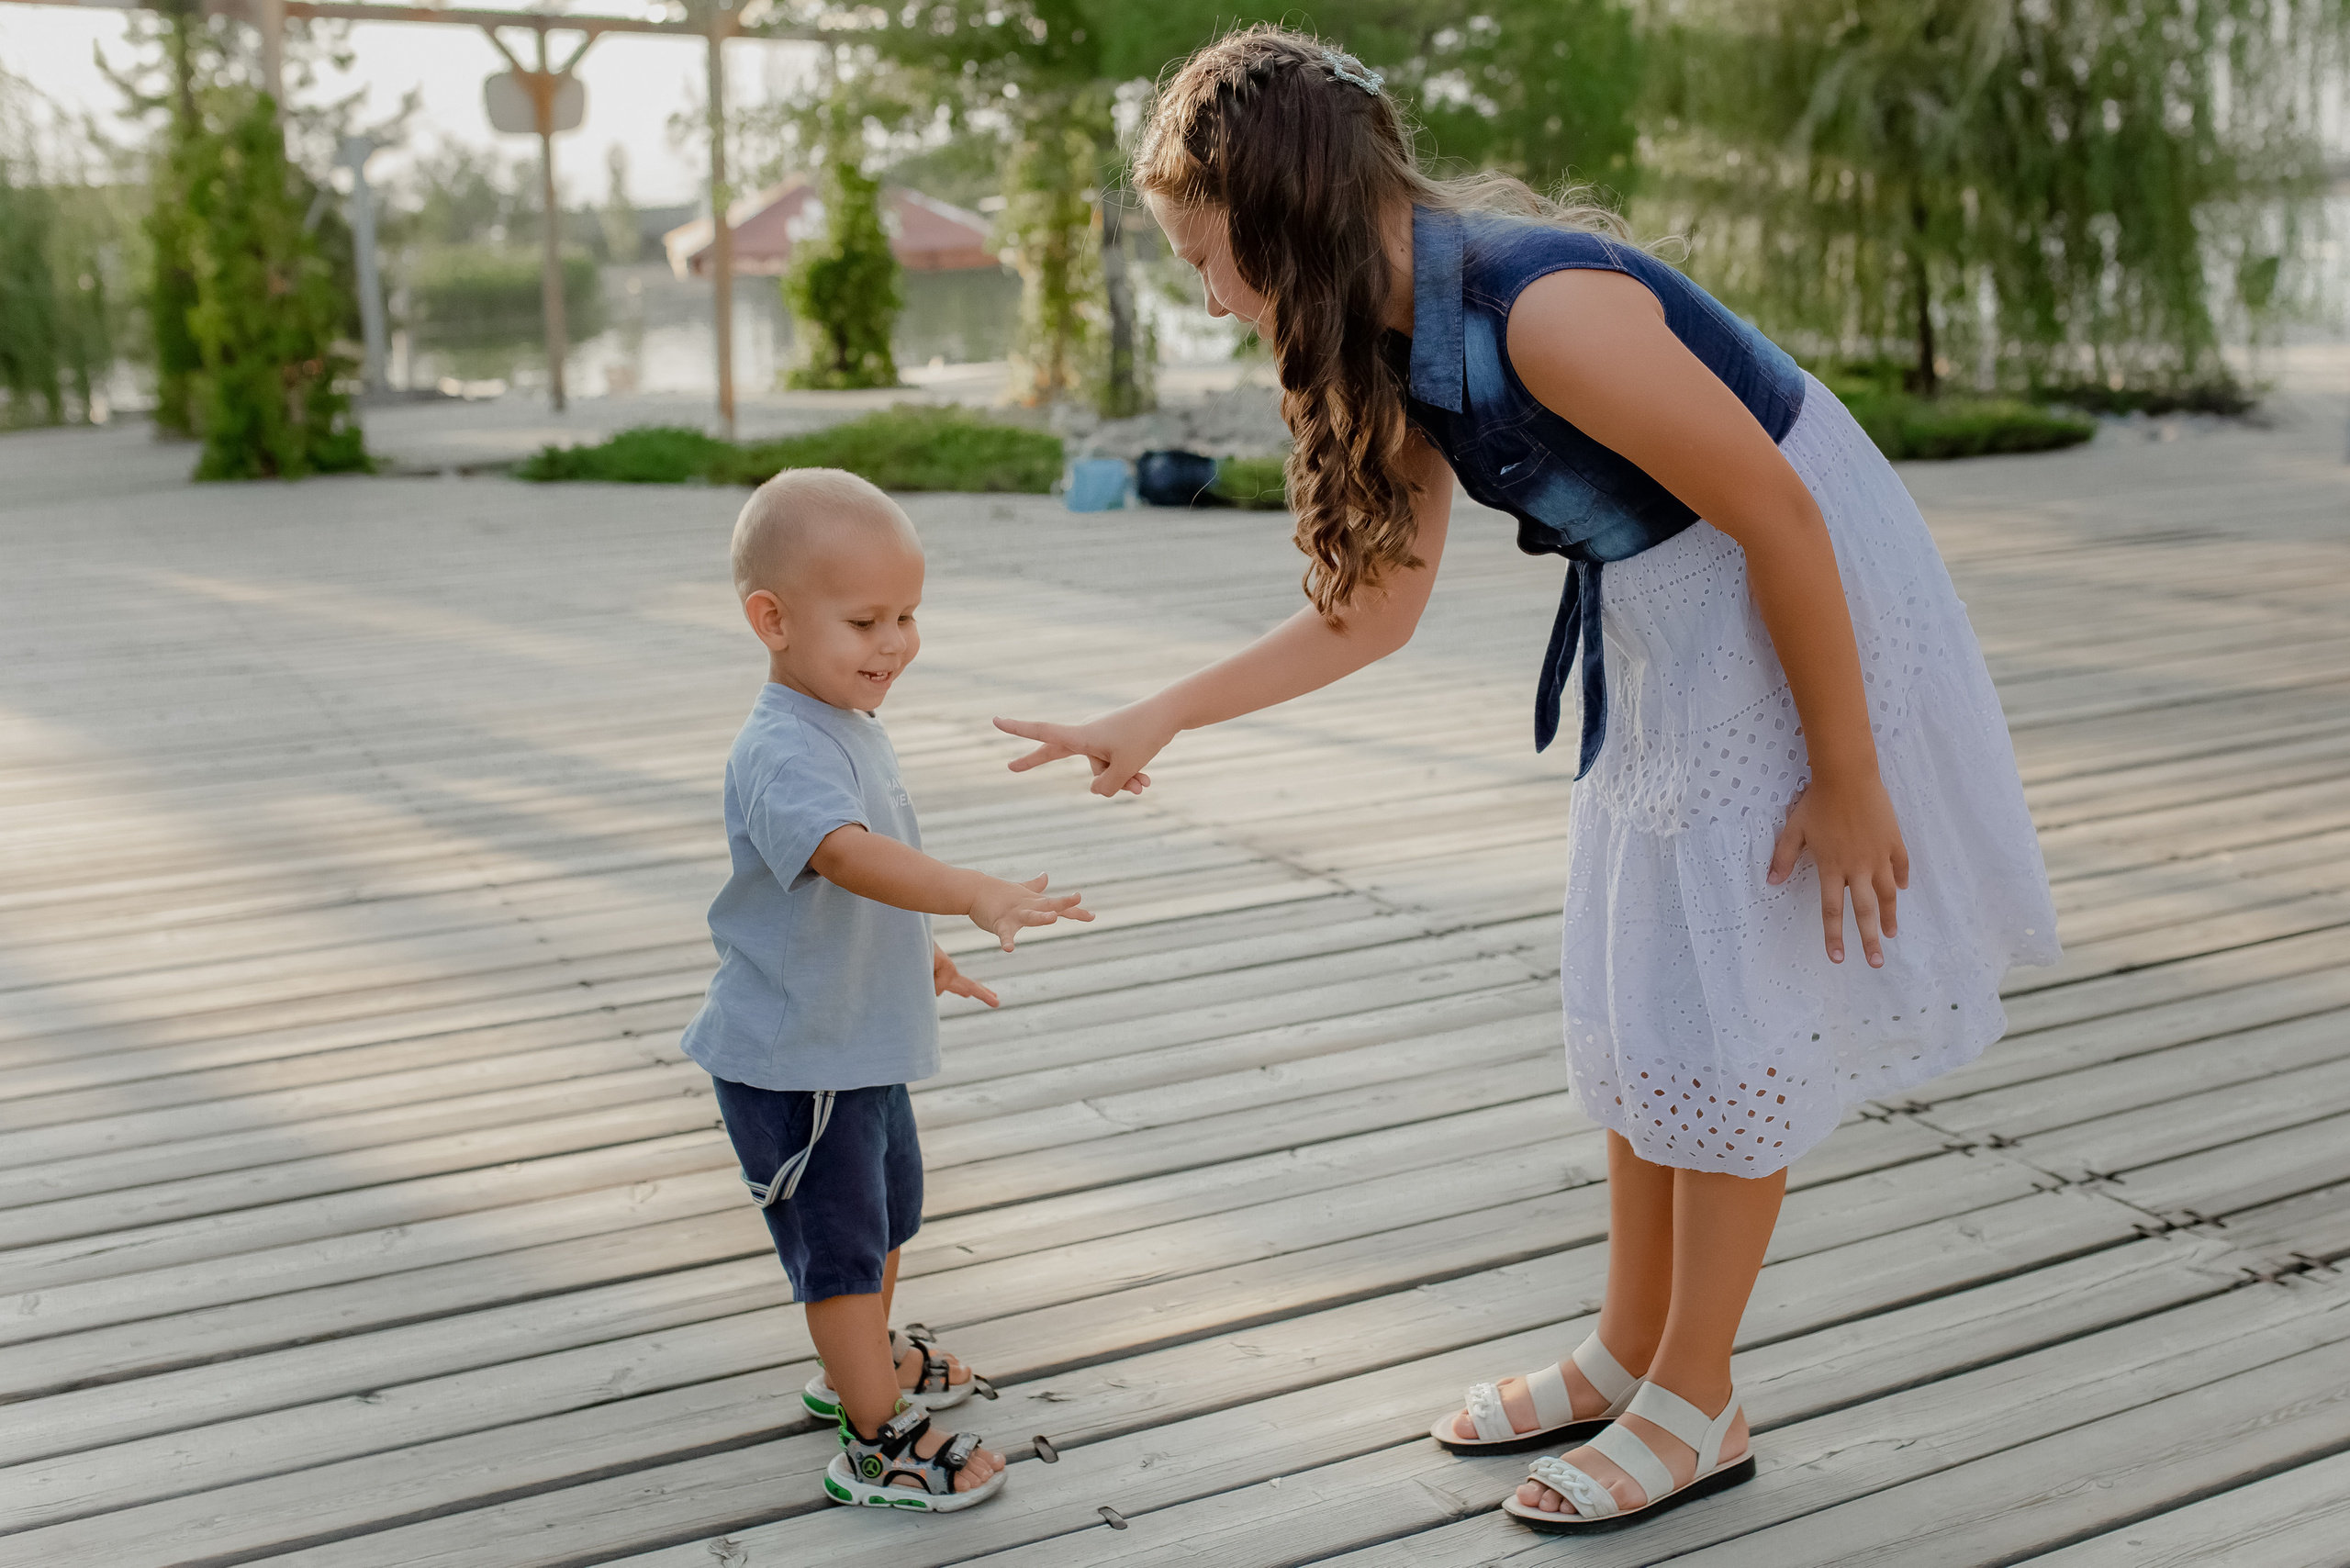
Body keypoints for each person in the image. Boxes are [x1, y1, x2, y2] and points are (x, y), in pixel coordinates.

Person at [994, 25, 2057, 1534]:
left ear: (1287, 208)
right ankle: (1629, 1346)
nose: (1209, 295)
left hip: (1792, 598)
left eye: (1207, 256)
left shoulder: (1542, 309)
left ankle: (1699, 1391)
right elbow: (1374, 610)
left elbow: (1786, 517)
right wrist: (1160, 713)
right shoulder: (1392, 332)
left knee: (1727, 990)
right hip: (1667, 606)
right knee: (1645, 981)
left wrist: (1847, 770)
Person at [682, 467, 1095, 1512]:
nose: (894, 642)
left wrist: (920, 955)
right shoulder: (782, 746)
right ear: (769, 621)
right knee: (841, 1252)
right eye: (864, 619)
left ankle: (856, 1362)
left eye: (907, 615)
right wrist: (965, 894)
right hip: (801, 1064)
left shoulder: (842, 720)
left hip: (855, 1045)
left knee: (885, 1216)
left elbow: (860, 893)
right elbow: (844, 857)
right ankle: (874, 1439)